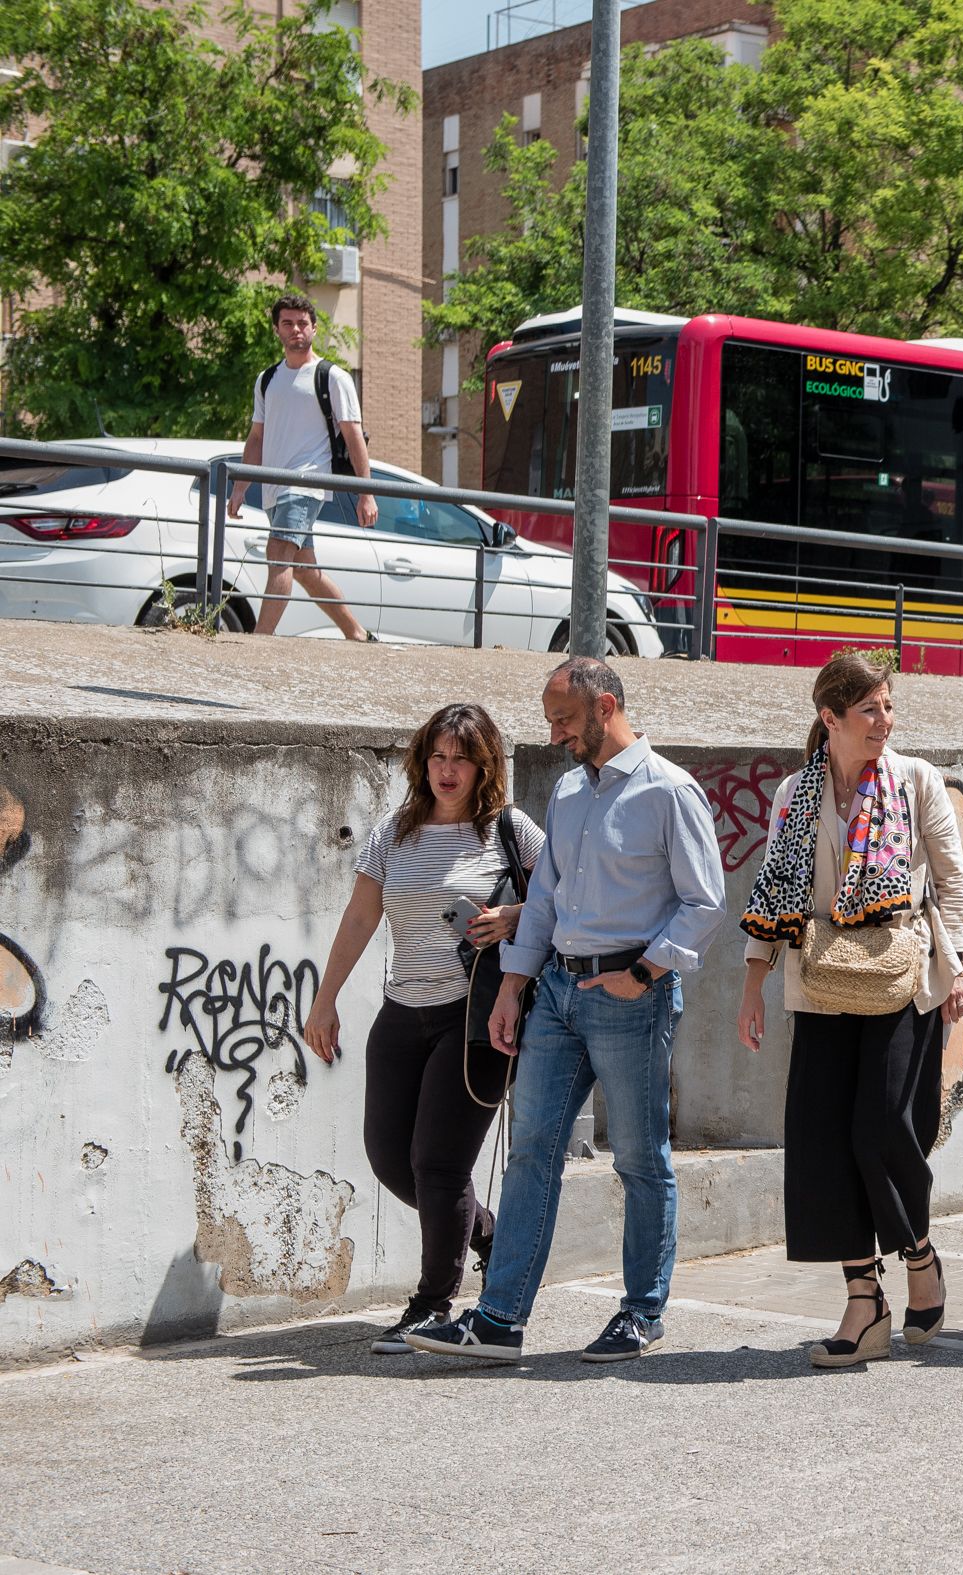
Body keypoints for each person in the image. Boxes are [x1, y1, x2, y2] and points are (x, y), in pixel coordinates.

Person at [406, 657, 726, 1363]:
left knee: (641, 1161)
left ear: (605, 706)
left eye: (563, 718)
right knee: (530, 1153)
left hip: (629, 999)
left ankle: (641, 1311)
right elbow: (545, 900)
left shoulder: (669, 791)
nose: (554, 733)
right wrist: (515, 987)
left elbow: (705, 901)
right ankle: (499, 1320)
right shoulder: (570, 792)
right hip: (554, 993)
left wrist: (644, 971)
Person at [737, 653, 963, 1368]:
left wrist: (960, 964)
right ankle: (862, 1302)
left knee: (880, 1127)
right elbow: (775, 891)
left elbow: (954, 881)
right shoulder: (794, 793)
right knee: (820, 1139)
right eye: (869, 709)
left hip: (901, 977)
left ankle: (919, 1253)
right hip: (819, 984)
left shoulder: (914, 780)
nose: (884, 721)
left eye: (888, 707)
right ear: (830, 717)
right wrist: (753, 982)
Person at [303, 704, 544, 1353]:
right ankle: (486, 1232)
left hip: (474, 1017)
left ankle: (434, 1302)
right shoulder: (395, 830)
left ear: (483, 764)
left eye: (460, 758)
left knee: (438, 1165)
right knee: (390, 1158)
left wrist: (514, 914)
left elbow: (565, 895)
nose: (446, 769)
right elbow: (359, 919)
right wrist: (324, 1001)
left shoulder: (508, 830)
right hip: (399, 1012)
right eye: (437, 756)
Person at [222, 292, 378, 641]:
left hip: (306, 484)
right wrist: (241, 486)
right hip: (273, 488)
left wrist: (367, 495)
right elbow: (256, 439)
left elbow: (354, 437)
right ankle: (357, 634)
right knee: (306, 571)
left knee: (278, 554)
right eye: (288, 323)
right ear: (277, 329)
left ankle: (260, 640)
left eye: (303, 323)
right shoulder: (267, 380)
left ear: (314, 328)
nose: (296, 330)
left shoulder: (333, 377)